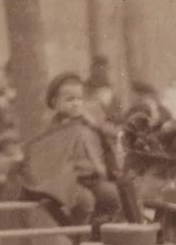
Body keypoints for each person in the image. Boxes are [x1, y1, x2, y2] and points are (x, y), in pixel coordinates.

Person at [21, 72, 121, 226]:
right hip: (68, 180)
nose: (76, 104)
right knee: (85, 201)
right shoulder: (53, 129)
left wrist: (95, 125)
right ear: (55, 102)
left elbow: (110, 137)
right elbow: (42, 155)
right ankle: (77, 236)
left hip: (91, 176)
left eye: (79, 99)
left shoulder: (87, 123)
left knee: (113, 196)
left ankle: (98, 231)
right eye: (69, 99)